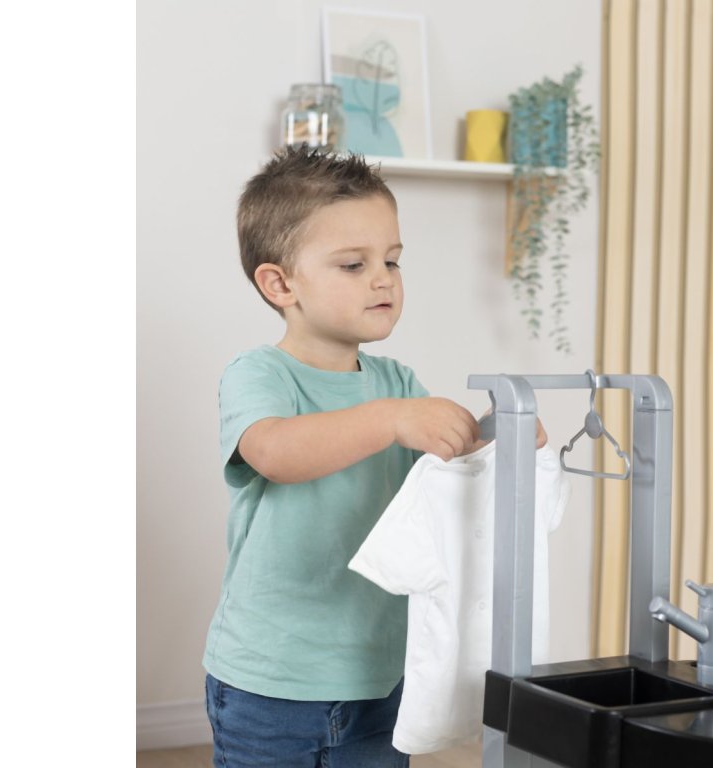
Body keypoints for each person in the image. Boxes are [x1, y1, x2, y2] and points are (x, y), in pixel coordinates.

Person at [203, 145, 543, 767]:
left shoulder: (397, 382)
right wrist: (393, 420)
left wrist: (501, 435)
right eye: (353, 264)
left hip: (380, 675)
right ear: (280, 284)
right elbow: (274, 451)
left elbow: (442, 470)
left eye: (391, 260)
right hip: (270, 683)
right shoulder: (260, 374)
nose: (383, 278)